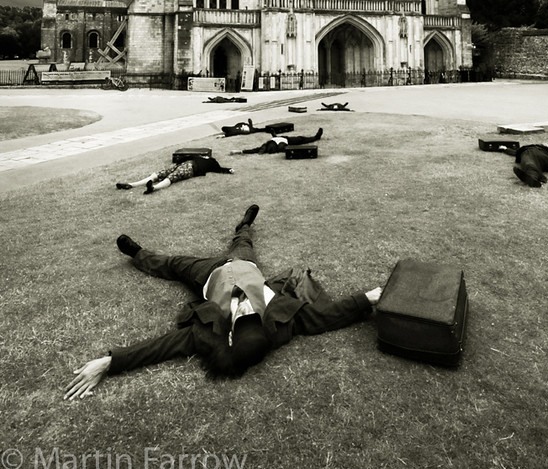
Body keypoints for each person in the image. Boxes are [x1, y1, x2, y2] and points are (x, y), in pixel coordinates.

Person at [63, 205, 382, 399]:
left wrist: (109, 362)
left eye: (242, 315)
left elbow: (158, 347)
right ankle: (244, 223)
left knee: (172, 264)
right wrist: (367, 298)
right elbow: (329, 316)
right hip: (246, 265)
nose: (245, 307)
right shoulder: (280, 323)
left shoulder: (207, 334)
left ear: (229, 334)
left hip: (210, 274)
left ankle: (137, 253)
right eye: (250, 313)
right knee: (243, 240)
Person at [116, 154, 233, 194]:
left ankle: (153, 187)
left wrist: (229, 170)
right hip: (187, 165)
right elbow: (183, 157)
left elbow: (221, 169)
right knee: (160, 174)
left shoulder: (213, 163)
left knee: (170, 176)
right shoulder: (205, 160)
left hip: (191, 168)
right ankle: (132, 185)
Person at [230, 128, 323, 155]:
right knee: (301, 139)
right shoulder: (279, 147)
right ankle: (316, 137)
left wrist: (239, 151)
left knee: (301, 139)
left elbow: (253, 150)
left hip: (279, 139)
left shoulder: (266, 146)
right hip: (286, 140)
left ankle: (273, 134)